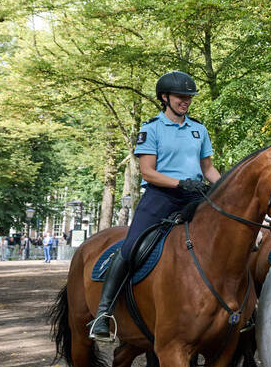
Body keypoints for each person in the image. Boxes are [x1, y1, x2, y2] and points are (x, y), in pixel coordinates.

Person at [90, 71, 221, 342]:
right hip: (161, 196)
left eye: (189, 97)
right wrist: (180, 183)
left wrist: (225, 190)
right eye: (180, 97)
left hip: (194, 195)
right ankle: (104, 314)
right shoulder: (152, 129)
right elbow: (148, 172)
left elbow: (208, 169)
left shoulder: (199, 129)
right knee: (130, 246)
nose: (186, 101)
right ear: (165, 97)